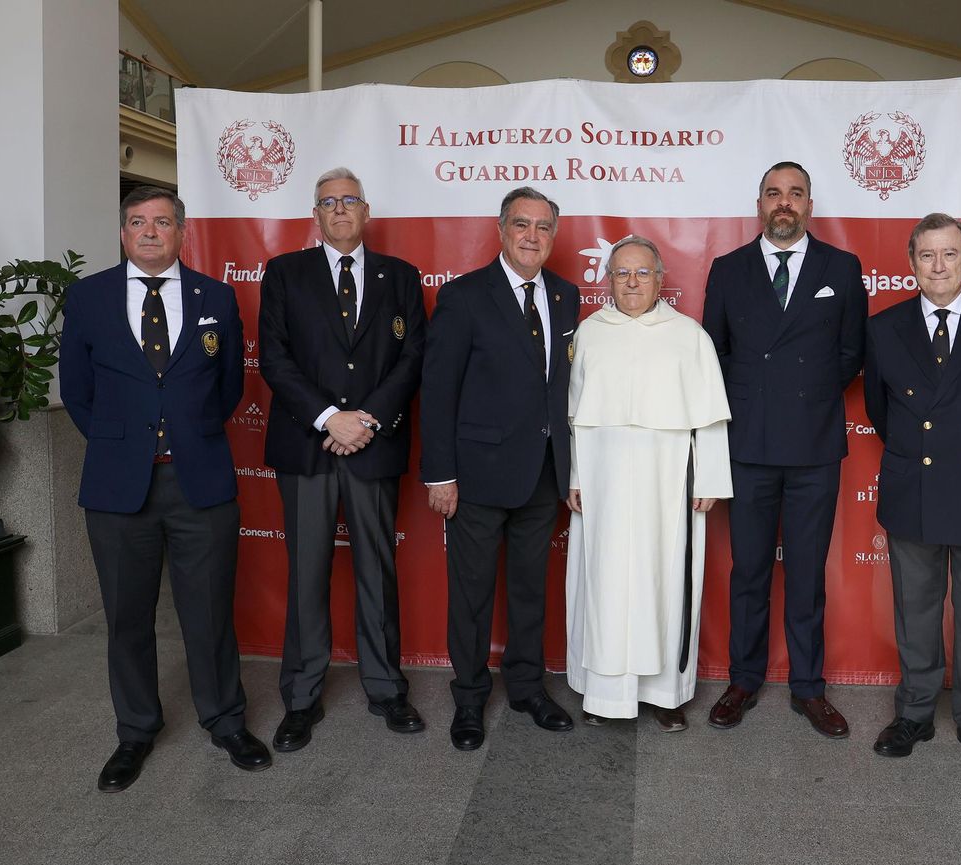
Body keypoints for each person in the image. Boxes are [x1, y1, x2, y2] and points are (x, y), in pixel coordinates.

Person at [61, 185, 271, 792]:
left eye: (161, 222)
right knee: (128, 617)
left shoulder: (217, 297)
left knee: (208, 613)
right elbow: (77, 391)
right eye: (136, 222)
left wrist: (186, 434)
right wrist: (124, 443)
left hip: (198, 479)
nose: (149, 232)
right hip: (117, 486)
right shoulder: (89, 296)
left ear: (182, 232)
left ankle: (226, 720)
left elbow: (227, 388)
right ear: (123, 232)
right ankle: (135, 731)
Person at [258, 168, 427, 750]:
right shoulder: (284, 273)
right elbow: (274, 358)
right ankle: (301, 698)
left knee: (376, 570)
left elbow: (411, 359)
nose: (338, 210)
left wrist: (367, 419)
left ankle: (386, 689)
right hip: (307, 445)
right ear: (316, 214)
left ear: (366, 210)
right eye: (327, 203)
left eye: (348, 201)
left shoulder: (400, 277)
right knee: (307, 571)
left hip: (373, 444)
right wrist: (331, 418)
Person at [701, 161, 867, 738]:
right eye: (774, 193)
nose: (784, 203)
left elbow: (851, 354)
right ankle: (743, 679)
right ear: (759, 203)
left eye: (795, 193)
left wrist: (807, 397)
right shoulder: (728, 269)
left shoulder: (841, 268)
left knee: (804, 573)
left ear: (809, 204)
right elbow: (713, 355)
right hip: (747, 444)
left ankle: (808, 688)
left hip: (813, 445)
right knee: (748, 570)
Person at [419, 186, 580, 751]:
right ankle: (468, 699)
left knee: (530, 590)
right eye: (521, 225)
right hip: (478, 474)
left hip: (541, 472)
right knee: (471, 594)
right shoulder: (463, 296)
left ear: (553, 236)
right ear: (501, 230)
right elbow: (437, 391)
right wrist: (439, 474)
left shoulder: (565, 295)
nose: (532, 236)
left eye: (542, 227)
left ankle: (527, 689)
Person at [863, 214, 961, 775]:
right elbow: (883, 413)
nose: (939, 266)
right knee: (916, 611)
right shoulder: (885, 326)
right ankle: (915, 713)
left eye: (949, 254)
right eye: (927, 255)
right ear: (911, 262)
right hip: (915, 488)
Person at [563, 236, 732, 732]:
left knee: (666, 580)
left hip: (669, 481)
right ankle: (604, 693)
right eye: (621, 273)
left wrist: (710, 478)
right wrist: (575, 476)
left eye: (642, 273)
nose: (632, 282)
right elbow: (575, 416)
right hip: (603, 479)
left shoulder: (689, 335)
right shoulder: (589, 334)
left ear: (661, 280)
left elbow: (711, 421)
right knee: (604, 581)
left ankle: (666, 694)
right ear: (607, 280)